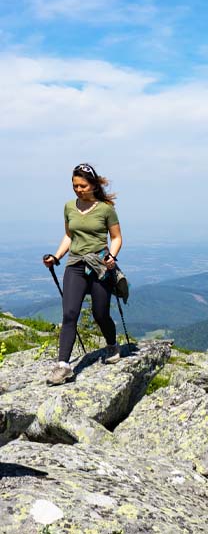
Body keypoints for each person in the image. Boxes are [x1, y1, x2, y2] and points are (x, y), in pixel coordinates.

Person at [43, 163, 123, 385]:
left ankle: (111, 345)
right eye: (75, 185)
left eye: (83, 186)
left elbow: (116, 238)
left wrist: (112, 257)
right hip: (75, 265)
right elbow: (69, 236)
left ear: (94, 185)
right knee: (69, 314)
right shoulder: (69, 207)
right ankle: (63, 366)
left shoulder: (106, 209)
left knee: (100, 314)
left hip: (99, 265)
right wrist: (56, 257)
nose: (78, 189)